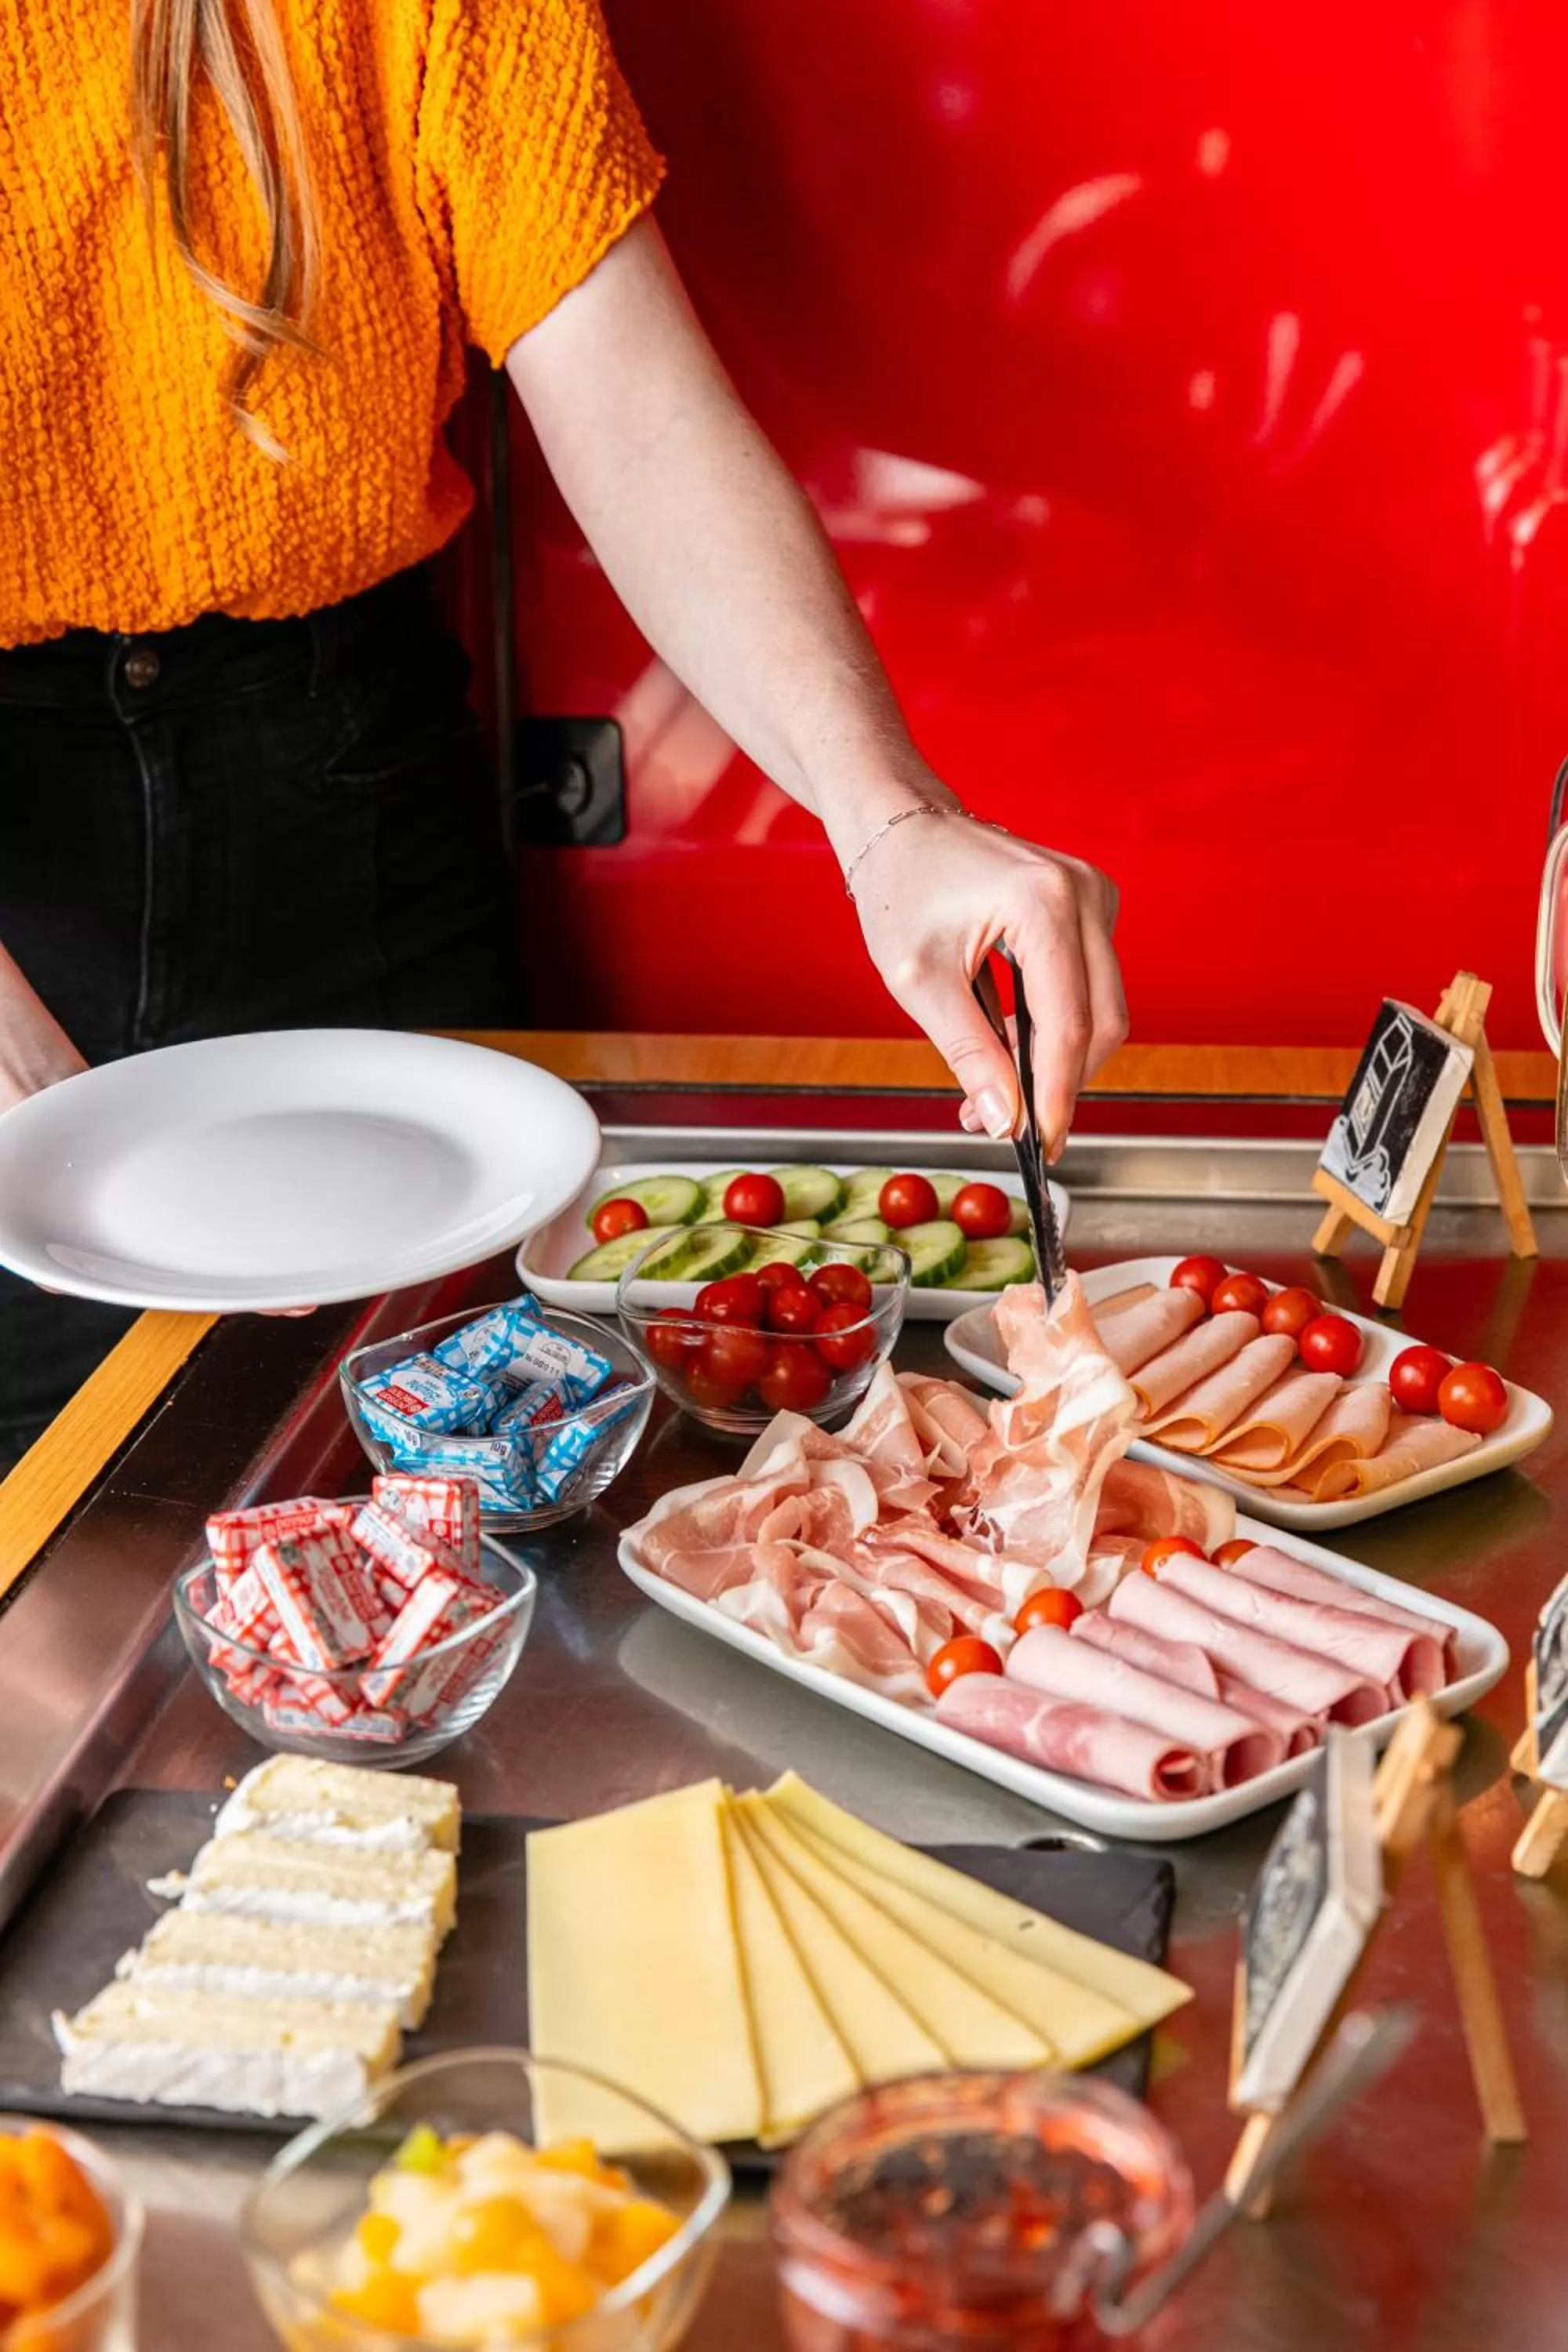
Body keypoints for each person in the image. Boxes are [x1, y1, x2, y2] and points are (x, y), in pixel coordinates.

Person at [0, 0, 1125, 1473]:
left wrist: (887, 815)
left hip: (346, 783)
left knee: (468, 1460)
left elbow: (640, 417)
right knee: (54, 1558)